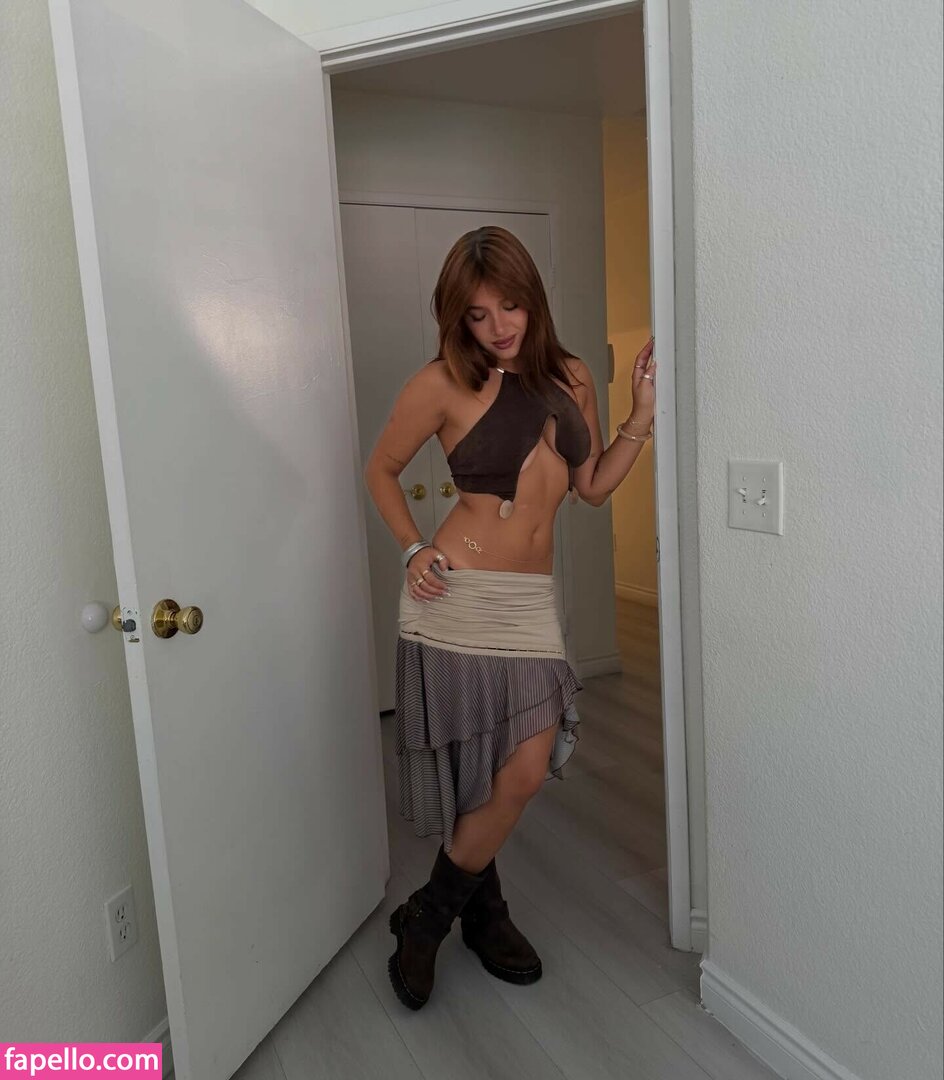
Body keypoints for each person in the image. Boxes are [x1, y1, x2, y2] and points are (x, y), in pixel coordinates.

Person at [363, 225, 656, 1010]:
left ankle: (425, 916)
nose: (498, 326)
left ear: (534, 301)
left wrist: (639, 415)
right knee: (481, 774)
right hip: (454, 597)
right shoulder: (441, 384)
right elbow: (381, 469)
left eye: (512, 306)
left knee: (521, 771)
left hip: (526, 607)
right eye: (478, 313)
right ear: (457, 318)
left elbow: (591, 487)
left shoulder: (571, 376)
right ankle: (482, 913)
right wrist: (412, 548)